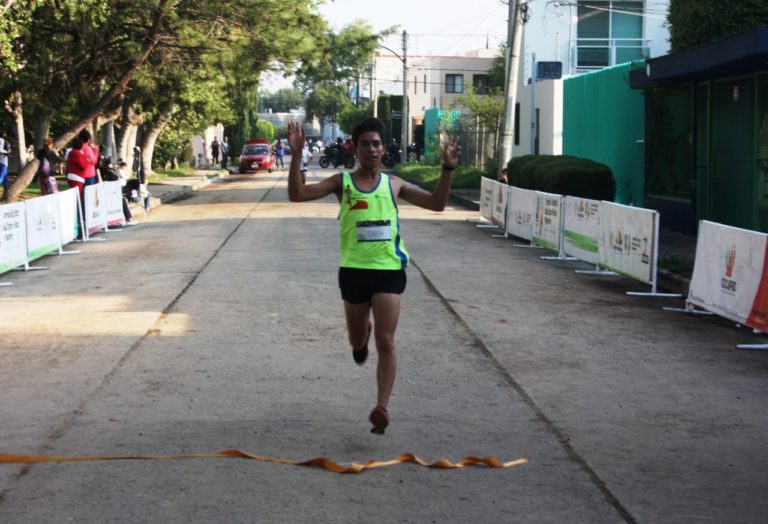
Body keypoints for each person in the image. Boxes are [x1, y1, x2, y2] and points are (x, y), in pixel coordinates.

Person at [286, 117, 460, 434]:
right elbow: (297, 195)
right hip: (353, 272)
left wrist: (447, 170)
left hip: (388, 271)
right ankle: (359, 336)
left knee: (387, 341)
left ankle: (381, 407)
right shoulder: (342, 183)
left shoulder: (394, 185)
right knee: (358, 342)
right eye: (365, 143)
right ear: (355, 147)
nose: (371, 149)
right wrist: (296, 155)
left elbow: (437, 204)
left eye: (376, 143)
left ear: (383, 148)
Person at [0, 129, 11, 201]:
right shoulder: (1, 140)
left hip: (2, 161)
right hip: (3, 162)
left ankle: (6, 197)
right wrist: (7, 152)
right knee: (1, 178)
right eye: (4, 133)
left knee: (5, 180)